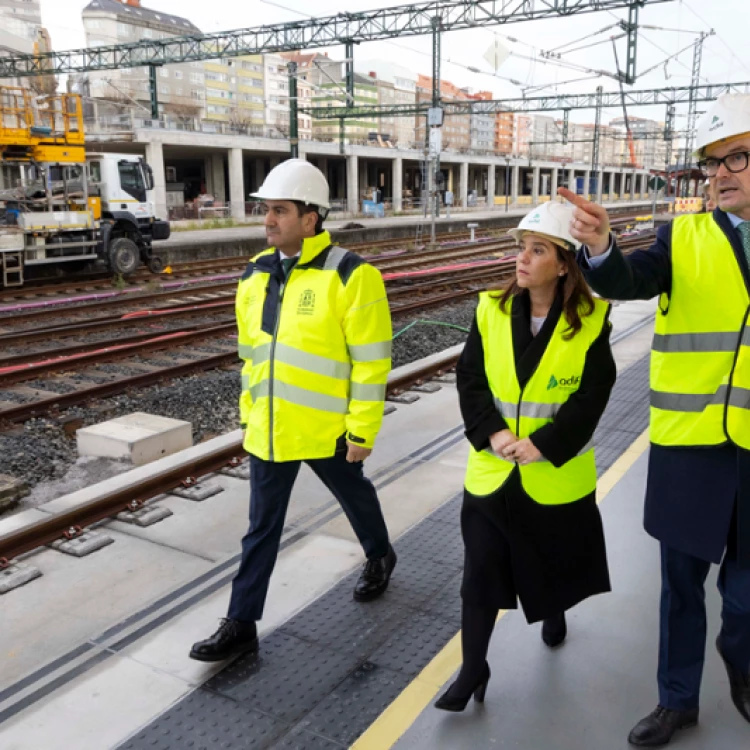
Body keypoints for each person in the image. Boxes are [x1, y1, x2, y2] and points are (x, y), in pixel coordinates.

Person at [563, 92, 750, 747]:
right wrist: (601, 246)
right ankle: (677, 700)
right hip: (690, 445)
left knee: (745, 597)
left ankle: (741, 654)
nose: (720, 173)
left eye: (737, 157)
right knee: (679, 585)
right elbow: (627, 279)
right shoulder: (685, 236)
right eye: (710, 163)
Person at [190, 159, 397, 663]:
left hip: (328, 430)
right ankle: (241, 623)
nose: (268, 220)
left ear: (312, 218)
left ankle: (380, 555)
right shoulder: (254, 276)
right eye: (266, 210)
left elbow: (371, 363)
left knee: (356, 497)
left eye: (279, 210)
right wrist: (248, 415)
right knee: (261, 527)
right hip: (271, 431)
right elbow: (251, 357)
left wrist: (362, 430)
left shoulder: (352, 275)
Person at [434, 201, 616, 712]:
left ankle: (553, 608)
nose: (523, 258)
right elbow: (469, 378)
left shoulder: (590, 321)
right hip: (493, 471)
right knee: (480, 572)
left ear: (563, 264)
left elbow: (594, 394)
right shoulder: (490, 309)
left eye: (538, 249)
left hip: (553, 473)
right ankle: (474, 667)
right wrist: (490, 433)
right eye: (521, 247)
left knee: (551, 562)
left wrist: (547, 444)